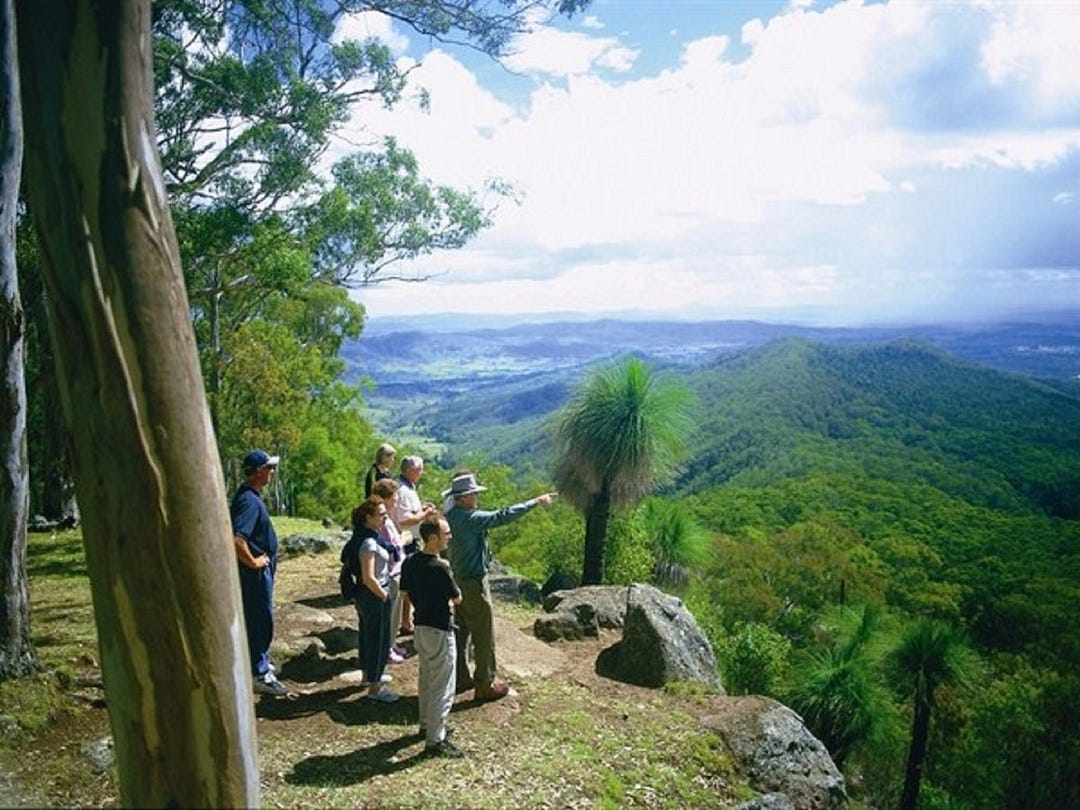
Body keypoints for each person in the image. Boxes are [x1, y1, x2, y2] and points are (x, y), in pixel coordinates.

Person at [443, 471, 556, 701]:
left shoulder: (450, 516)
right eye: (473, 494)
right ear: (463, 498)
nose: (476, 497)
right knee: (483, 634)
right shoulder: (470, 519)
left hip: (458, 580)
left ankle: (460, 676)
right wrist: (535, 502)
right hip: (474, 583)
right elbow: (502, 516)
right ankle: (484, 684)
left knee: (461, 630)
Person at [401, 516, 464, 758]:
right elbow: (457, 598)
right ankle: (435, 740)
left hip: (421, 628)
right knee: (442, 686)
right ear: (433, 538)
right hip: (440, 629)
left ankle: (426, 724)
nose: (450, 537)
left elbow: (405, 592)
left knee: (426, 678)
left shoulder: (410, 562)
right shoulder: (440, 567)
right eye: (446, 534)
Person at [232, 449, 287, 697]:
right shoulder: (249, 502)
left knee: (258, 619)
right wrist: (254, 562)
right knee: (259, 620)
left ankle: (257, 663)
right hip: (253, 575)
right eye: (268, 468)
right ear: (257, 472)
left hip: (257, 571)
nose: (272, 472)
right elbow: (237, 539)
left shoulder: (250, 497)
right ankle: (259, 673)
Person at [345, 496, 401, 702]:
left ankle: (369, 675)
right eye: (381, 514)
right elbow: (368, 577)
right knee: (378, 640)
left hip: (365, 596)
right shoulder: (368, 542)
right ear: (368, 518)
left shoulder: (363, 537)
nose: (385, 518)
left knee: (367, 636)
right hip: (373, 595)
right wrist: (383, 595)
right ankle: (375, 688)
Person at [391, 456, 436, 634]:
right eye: (420, 469)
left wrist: (421, 509)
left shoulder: (406, 487)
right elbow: (404, 520)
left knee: (408, 582)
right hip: (405, 541)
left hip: (408, 539)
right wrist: (425, 515)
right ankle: (404, 622)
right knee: (408, 583)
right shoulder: (403, 490)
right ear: (410, 470)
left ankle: (406, 621)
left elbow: (408, 512)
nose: (422, 473)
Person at [371, 477, 408, 663]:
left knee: (395, 613)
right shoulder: (382, 522)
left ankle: (391, 644)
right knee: (391, 614)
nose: (396, 501)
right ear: (385, 498)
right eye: (394, 497)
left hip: (395, 571)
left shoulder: (386, 519)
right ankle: (386, 650)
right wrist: (404, 540)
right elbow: (389, 547)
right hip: (391, 572)